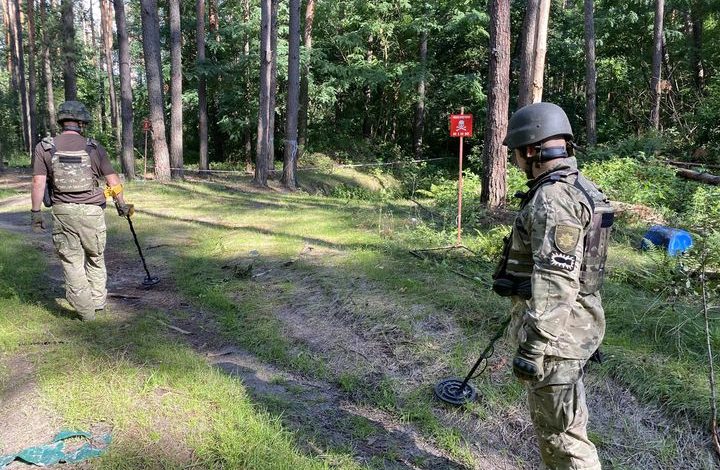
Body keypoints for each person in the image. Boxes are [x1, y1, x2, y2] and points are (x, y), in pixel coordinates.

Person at [493, 102, 613, 469]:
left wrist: (533, 347)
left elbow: (556, 280)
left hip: (558, 338)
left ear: (530, 151)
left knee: (562, 438)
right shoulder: (581, 188)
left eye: (514, 152)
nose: (513, 161)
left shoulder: (553, 198)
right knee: (565, 427)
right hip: (575, 326)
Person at [30, 100, 134, 321]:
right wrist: (121, 203)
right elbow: (112, 179)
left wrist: (36, 212)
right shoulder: (93, 147)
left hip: (63, 213)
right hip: (92, 212)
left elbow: (38, 182)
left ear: (61, 121)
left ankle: (85, 312)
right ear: (82, 122)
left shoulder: (45, 147)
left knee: (72, 261)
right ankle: (96, 303)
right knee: (96, 257)